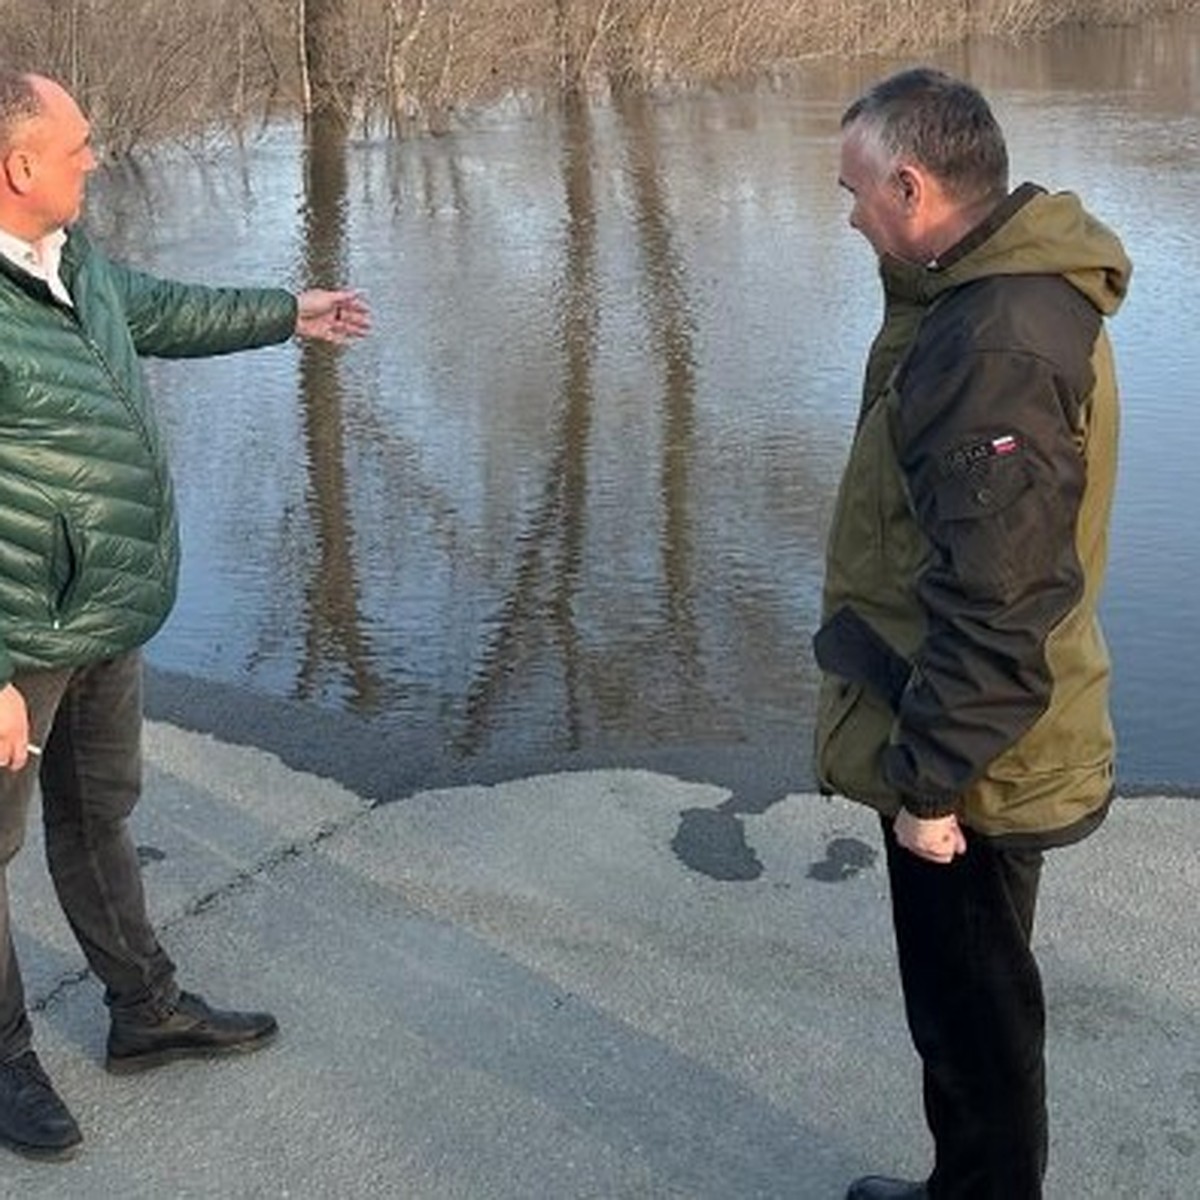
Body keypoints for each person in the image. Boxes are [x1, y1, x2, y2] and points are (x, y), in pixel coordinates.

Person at [0, 66, 370, 1160]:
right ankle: (4, 1059)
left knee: (98, 813)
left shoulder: (71, 264)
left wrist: (285, 313)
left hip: (104, 606)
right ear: (19, 167)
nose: (96, 158)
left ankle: (143, 1011)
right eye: (80, 146)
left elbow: (161, 310)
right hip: (20, 634)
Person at [812, 68, 1130, 1199]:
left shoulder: (991, 346)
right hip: (985, 735)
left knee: (977, 1033)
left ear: (911, 184)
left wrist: (931, 787)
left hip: (979, 764)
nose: (848, 215)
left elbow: (1000, 607)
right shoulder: (986, 294)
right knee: (972, 1022)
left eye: (855, 192)